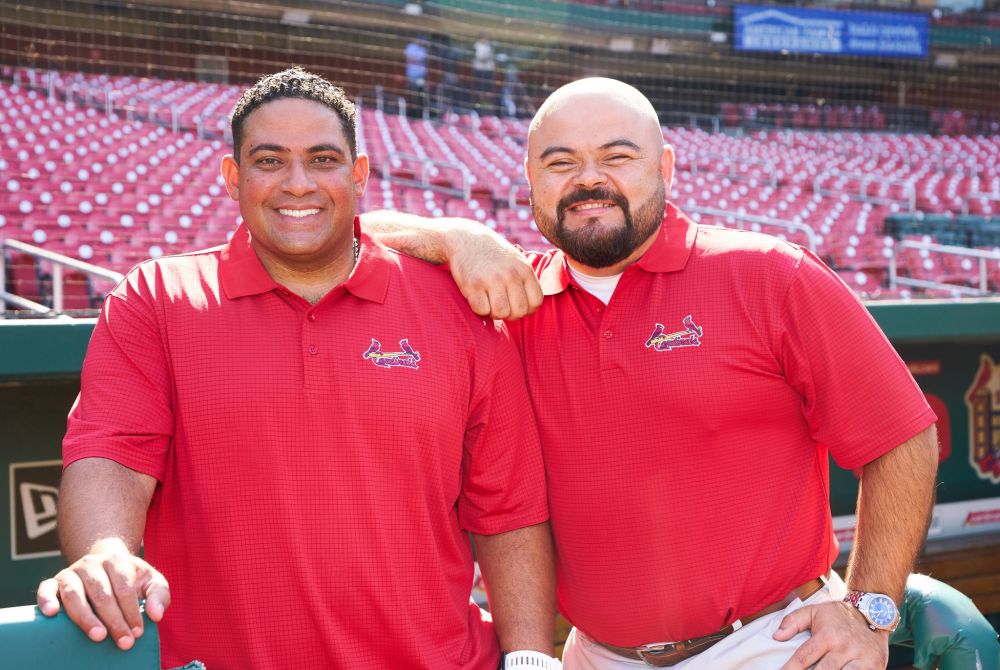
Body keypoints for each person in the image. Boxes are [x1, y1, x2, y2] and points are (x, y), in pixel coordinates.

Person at [363, 77, 940, 669]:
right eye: (561, 163)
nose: (589, 180)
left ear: (665, 166)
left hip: (772, 645)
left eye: (617, 156)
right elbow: (344, 233)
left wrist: (870, 609)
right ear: (530, 180)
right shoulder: (513, 302)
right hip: (597, 655)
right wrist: (454, 234)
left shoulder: (769, 274)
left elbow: (901, 438)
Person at [35, 67, 561, 670]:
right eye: (268, 161)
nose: (298, 183)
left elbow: (508, 509)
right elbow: (114, 452)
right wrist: (106, 548)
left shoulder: (457, 308)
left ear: (359, 175)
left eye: (323, 158)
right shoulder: (157, 299)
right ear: (232, 178)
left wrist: (529, 659)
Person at [404, 36, 428, 118]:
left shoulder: (423, 50)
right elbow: (410, 59)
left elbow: (422, 58)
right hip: (412, 76)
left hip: (421, 76)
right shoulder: (411, 47)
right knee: (413, 94)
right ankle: (413, 113)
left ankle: (420, 113)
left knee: (421, 95)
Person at [472, 35, 496, 114]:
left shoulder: (489, 47)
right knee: (480, 90)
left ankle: (488, 107)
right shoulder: (477, 46)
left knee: (488, 90)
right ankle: (479, 107)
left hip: (488, 71)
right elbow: (481, 59)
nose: (486, 40)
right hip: (479, 71)